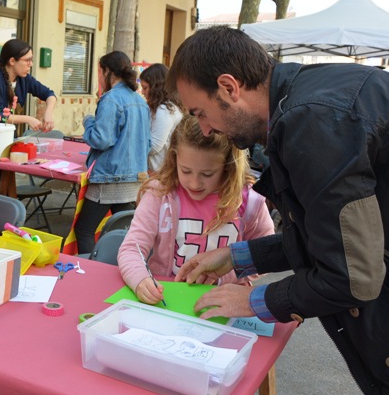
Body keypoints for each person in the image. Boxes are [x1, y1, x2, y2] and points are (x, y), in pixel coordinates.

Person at [171, 26, 389, 395]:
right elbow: (329, 234)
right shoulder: (309, 98)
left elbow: (353, 276)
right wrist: (236, 255)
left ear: (229, 87)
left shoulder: (314, 121)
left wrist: (256, 301)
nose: (207, 128)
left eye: (201, 112)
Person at [117, 115, 274, 304]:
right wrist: (140, 280)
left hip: (224, 302)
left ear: (227, 166)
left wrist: (226, 276)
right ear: (174, 159)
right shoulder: (160, 194)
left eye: (207, 174)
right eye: (185, 170)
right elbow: (131, 249)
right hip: (168, 298)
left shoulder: (249, 201)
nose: (194, 183)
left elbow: (268, 253)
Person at [75, 51, 151, 254]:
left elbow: (101, 139)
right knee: (124, 233)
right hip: (135, 177)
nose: (99, 77)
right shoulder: (140, 101)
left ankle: (90, 274)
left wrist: (88, 121)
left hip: (109, 179)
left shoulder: (110, 99)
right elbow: (148, 143)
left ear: (108, 72)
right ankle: (121, 270)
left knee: (83, 230)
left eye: (100, 71)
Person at [0, 39, 57, 192]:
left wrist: (48, 113)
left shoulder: (24, 79)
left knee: (5, 191)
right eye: (27, 60)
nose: (30, 64)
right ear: (12, 61)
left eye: (31, 60)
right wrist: (28, 119)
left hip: (4, 144)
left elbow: (49, 94)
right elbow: (0, 116)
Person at [139, 63, 184, 172]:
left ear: (156, 87)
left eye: (145, 88)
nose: (143, 92)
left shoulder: (164, 111)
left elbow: (154, 146)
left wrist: (132, 142)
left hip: (159, 172)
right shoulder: (165, 108)